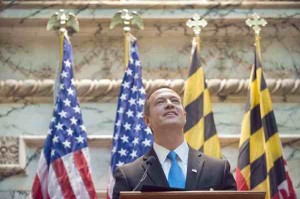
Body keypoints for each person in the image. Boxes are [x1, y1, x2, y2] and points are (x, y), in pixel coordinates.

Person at [113, 86, 236, 198]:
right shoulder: (129, 176)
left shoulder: (218, 169)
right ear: (147, 121)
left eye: (175, 101)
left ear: (184, 116)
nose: (169, 104)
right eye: (160, 102)